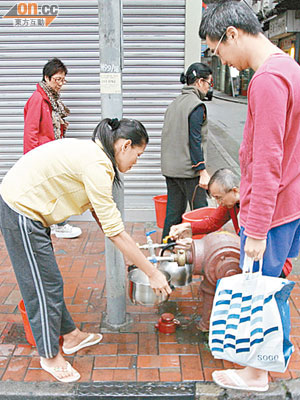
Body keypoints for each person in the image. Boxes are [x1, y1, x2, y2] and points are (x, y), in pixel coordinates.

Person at [0, 118, 171, 383]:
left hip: (31, 206)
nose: (137, 162)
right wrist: (152, 272)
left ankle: (71, 336)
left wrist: (131, 251)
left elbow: (105, 218)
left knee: (50, 280)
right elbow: (114, 231)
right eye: (138, 155)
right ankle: (49, 355)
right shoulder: (97, 166)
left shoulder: (97, 156)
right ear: (125, 146)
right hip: (21, 209)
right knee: (41, 286)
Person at [199, 0, 300, 392]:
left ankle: (256, 373)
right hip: (288, 202)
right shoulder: (290, 69)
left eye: (217, 49)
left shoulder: (268, 79)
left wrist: (255, 227)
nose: (221, 59)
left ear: (232, 35)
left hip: (270, 210)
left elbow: (268, 156)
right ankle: (265, 365)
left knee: (259, 289)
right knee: (272, 287)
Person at [169, 168, 292, 278]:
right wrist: (188, 227)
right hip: (252, 260)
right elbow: (212, 223)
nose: (218, 202)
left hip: (273, 264)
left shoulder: (256, 207)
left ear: (234, 190)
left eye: (219, 197)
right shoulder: (231, 203)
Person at [23, 57, 81, 239]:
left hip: (51, 152)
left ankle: (54, 224)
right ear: (47, 78)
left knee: (54, 188)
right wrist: (32, 157)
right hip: (42, 154)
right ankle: (59, 225)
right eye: (57, 79)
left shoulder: (51, 99)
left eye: (63, 80)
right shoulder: (39, 99)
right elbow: (31, 130)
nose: (60, 84)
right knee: (56, 188)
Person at [160, 62, 212, 239]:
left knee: (173, 214)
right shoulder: (196, 106)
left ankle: (165, 250)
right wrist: (202, 170)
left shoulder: (173, 104)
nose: (208, 88)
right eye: (208, 83)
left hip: (171, 170)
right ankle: (204, 253)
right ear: (199, 82)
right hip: (189, 172)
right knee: (201, 214)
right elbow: (194, 140)